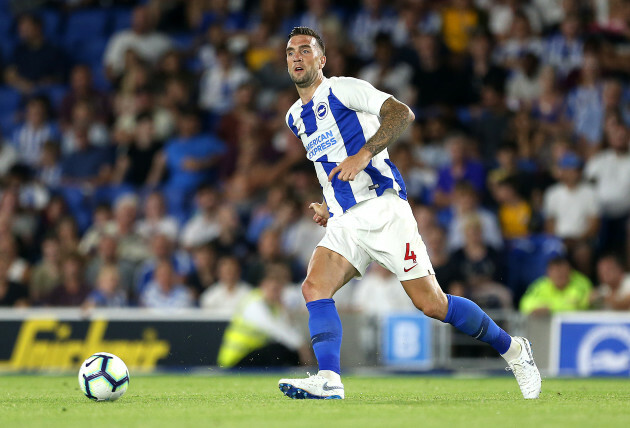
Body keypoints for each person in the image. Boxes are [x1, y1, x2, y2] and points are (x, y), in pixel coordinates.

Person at [277, 27, 541, 400]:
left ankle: (514, 350)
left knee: (432, 303)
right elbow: (328, 165)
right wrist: (330, 204)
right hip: (345, 218)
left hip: (383, 209)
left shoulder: (343, 89)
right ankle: (329, 378)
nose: (297, 57)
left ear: (321, 60)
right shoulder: (294, 117)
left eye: (305, 50)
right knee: (313, 286)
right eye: (291, 52)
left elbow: (401, 113)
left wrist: (364, 154)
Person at [217, 268, 309, 369]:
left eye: (278, 289)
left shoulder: (274, 307)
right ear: (263, 286)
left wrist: (283, 309)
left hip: (250, 355)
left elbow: (289, 328)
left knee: (284, 349)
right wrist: (301, 346)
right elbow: (276, 329)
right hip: (234, 361)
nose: (276, 293)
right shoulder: (253, 303)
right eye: (273, 289)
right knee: (277, 350)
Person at [519, 257, 592, 316]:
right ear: (548, 273)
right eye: (556, 273)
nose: (560, 275)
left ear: (570, 271)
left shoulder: (581, 283)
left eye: (563, 273)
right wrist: (535, 308)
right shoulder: (540, 285)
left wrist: (549, 308)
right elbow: (525, 303)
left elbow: (575, 306)